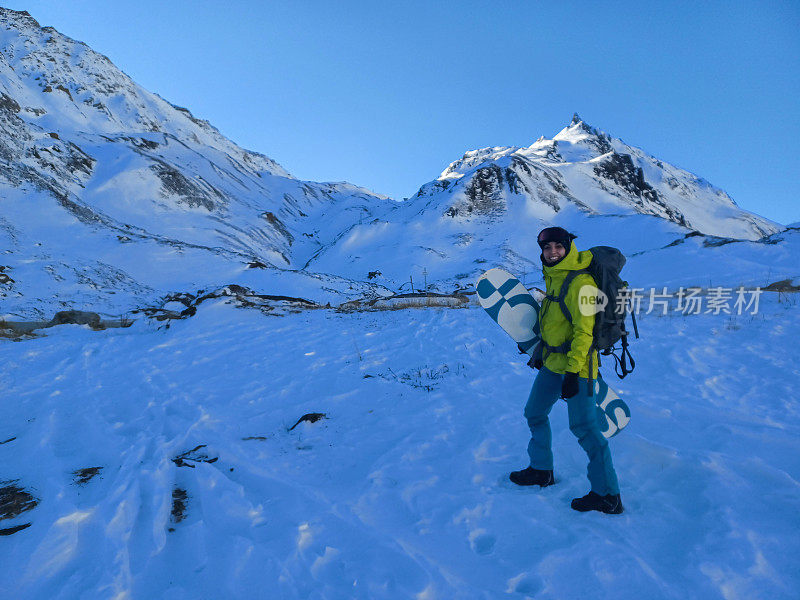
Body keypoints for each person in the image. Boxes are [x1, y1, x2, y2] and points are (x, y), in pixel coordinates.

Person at [510, 226, 623, 514]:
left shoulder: (582, 284)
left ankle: (607, 494)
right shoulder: (555, 277)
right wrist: (541, 351)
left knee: (585, 429)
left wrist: (573, 373)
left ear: (568, 247)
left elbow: (584, 334)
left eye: (558, 247)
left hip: (579, 368)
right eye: (547, 248)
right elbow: (555, 324)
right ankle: (541, 470)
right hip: (552, 364)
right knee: (534, 413)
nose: (552, 252)